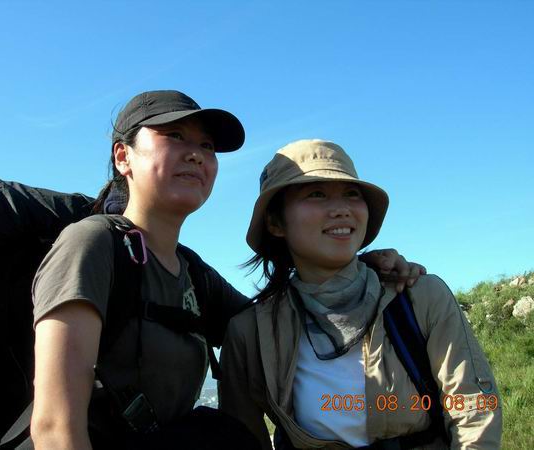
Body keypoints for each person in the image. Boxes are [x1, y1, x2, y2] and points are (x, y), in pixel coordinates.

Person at [30, 92, 424, 449]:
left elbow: (278, 322)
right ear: (123, 157)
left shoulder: (194, 274)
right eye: (175, 136)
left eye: (206, 145)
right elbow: (54, 428)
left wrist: (358, 266)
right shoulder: (93, 244)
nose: (196, 154)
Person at [219, 139, 502, 449]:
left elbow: (474, 409)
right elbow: (241, 437)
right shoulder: (252, 332)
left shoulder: (419, 296)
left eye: (351, 194)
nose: (341, 209)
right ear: (275, 223)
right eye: (316, 194)